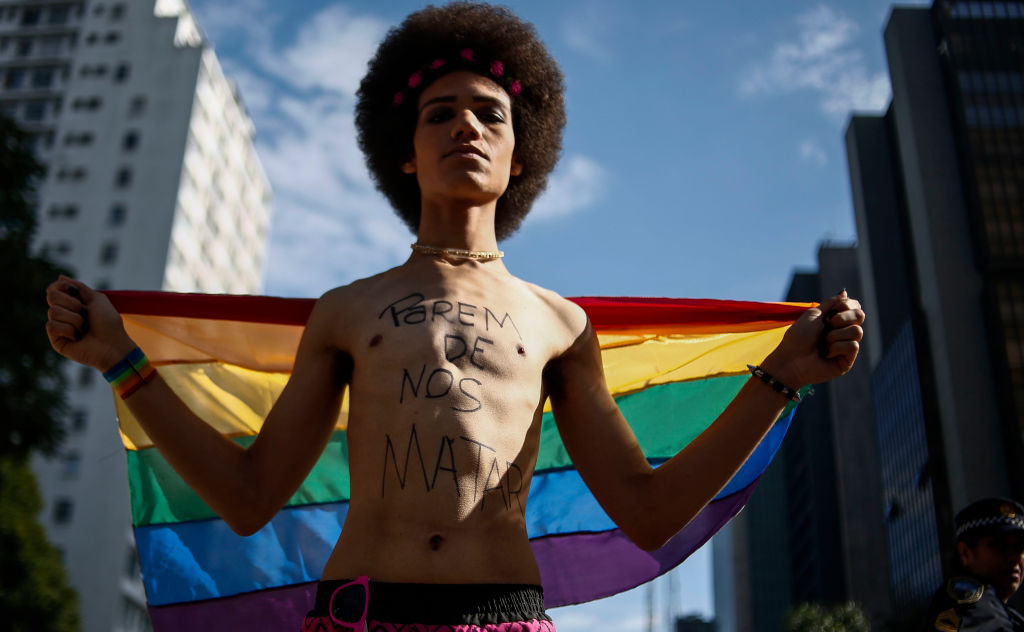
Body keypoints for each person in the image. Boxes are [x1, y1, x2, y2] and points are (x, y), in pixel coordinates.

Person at [44, 3, 865, 630]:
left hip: (503, 617)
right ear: (407, 151)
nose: (465, 124)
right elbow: (251, 495)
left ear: (520, 152)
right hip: (355, 614)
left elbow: (646, 511)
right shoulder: (346, 310)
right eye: (439, 112)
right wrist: (124, 363)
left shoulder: (560, 325)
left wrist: (780, 380)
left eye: (489, 113)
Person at [922, 498, 1024, 631]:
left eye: (1019, 547)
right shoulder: (971, 606)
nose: (1014, 558)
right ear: (965, 553)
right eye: (1000, 546)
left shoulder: (999, 611)